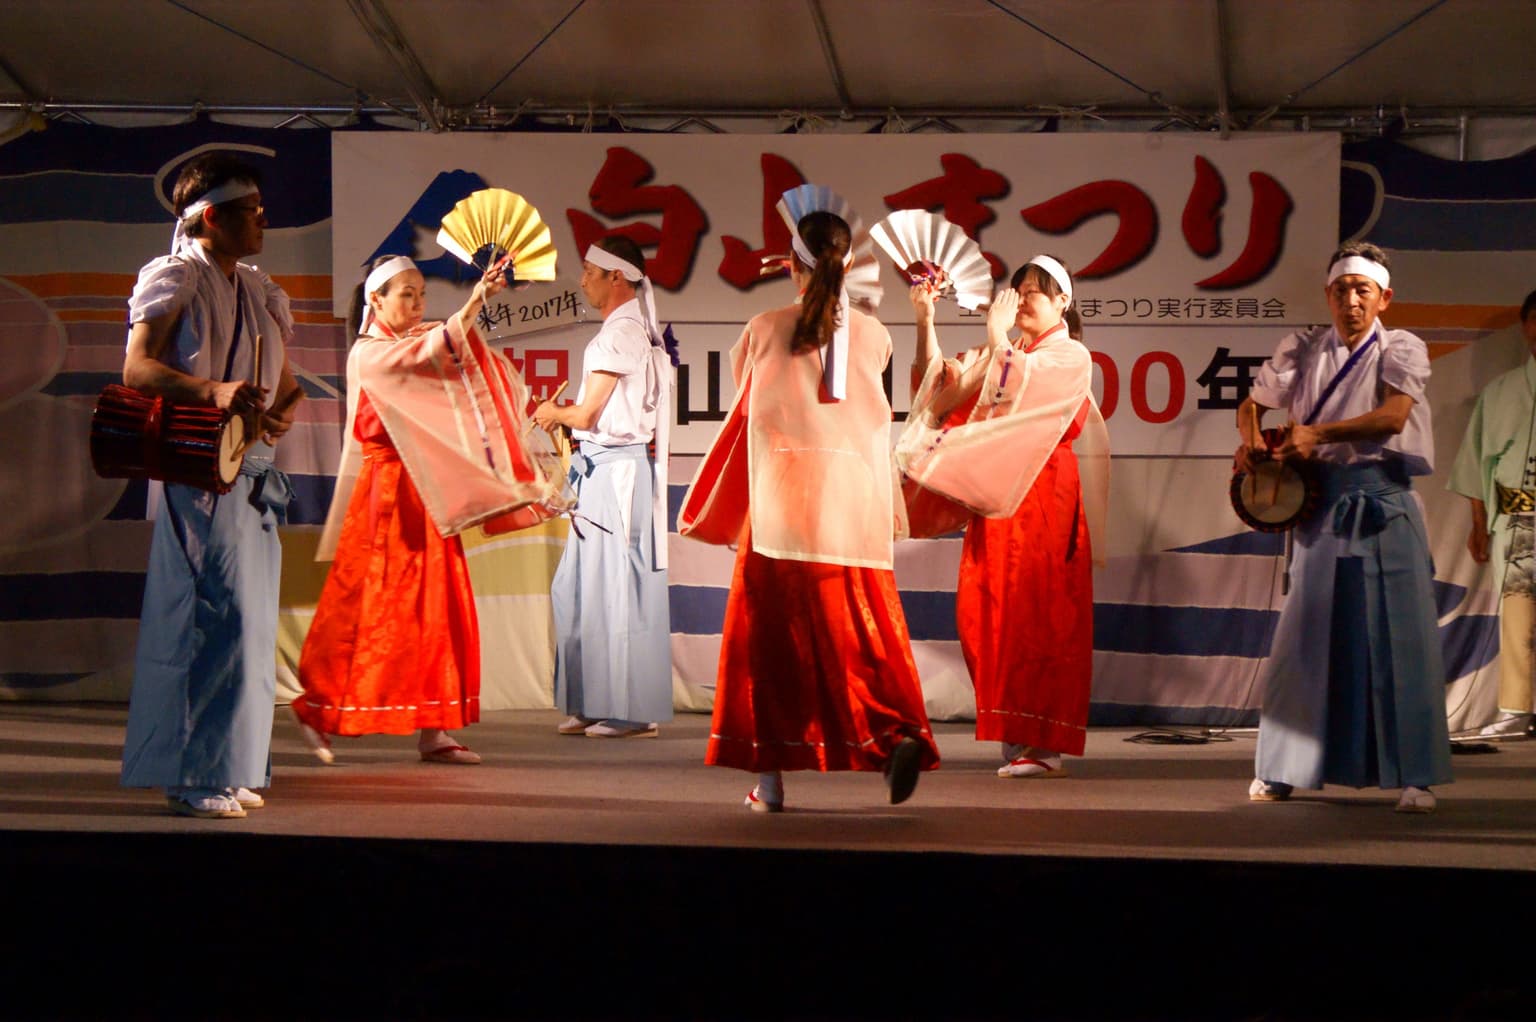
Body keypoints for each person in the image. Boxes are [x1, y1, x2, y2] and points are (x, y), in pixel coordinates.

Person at [679, 204, 939, 812]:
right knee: (865, 638)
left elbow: (748, 401)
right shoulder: (875, 337)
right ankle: (892, 735)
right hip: (854, 513)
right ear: (848, 265)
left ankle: (770, 781)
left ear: (792, 266)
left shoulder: (764, 327)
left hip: (782, 510)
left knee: (770, 647)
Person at [293, 255, 548, 764]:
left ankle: (436, 728)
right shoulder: (370, 354)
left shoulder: (415, 341)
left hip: (426, 491)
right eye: (405, 294)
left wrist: (464, 328)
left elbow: (459, 369)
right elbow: (423, 356)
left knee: (439, 607)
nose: (416, 304)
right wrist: (472, 304)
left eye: (421, 294)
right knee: (361, 606)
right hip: (384, 493)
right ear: (376, 300)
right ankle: (318, 708)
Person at [1236, 241, 1452, 813]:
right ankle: (1282, 768)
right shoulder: (1304, 347)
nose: (1351, 301)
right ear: (1327, 295)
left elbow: (1394, 416)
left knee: (1400, 640)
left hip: (1383, 503)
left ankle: (1415, 774)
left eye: (1363, 291)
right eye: (1341, 290)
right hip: (1322, 507)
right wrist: (1252, 442)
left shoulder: (1400, 347)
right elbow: (1253, 404)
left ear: (1384, 298)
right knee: (1303, 641)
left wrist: (1318, 434)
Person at [119, 152, 304, 819]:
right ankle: (194, 774)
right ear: (211, 218)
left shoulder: (257, 287)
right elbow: (137, 369)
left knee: (250, 626)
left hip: (251, 472)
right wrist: (212, 390)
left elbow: (284, 383)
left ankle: (233, 763)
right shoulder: (176, 276)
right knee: (208, 618)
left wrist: (282, 408)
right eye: (250, 211)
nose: (262, 220)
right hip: (198, 471)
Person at [896, 256, 1108, 780]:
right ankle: (1017, 738)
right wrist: (925, 319)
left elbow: (1017, 390)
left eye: (1036, 291)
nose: (1023, 299)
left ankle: (1043, 743)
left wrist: (997, 338)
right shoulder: (1009, 352)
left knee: (1039, 617)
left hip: (1044, 500)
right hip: (998, 500)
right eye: (1019, 290)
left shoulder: (1070, 355)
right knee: (986, 614)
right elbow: (940, 394)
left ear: (1063, 301)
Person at [532, 238, 674, 739]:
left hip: (618, 474)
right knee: (578, 587)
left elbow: (589, 414)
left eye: (590, 272)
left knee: (619, 588)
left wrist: (554, 413)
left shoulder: (623, 334)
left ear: (617, 277)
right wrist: (565, 418)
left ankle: (633, 710)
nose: (582, 280)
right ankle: (592, 699)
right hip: (600, 471)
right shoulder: (623, 333)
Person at [1448, 288, 1536, 739]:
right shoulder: (1500, 392)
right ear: (1525, 327)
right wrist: (1479, 526)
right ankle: (1519, 708)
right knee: (1518, 616)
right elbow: (1476, 460)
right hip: (1518, 519)